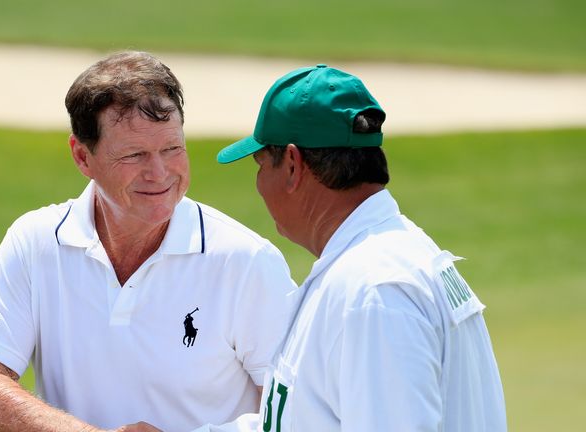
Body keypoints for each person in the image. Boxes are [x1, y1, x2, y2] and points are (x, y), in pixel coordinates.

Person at [0, 51, 299, 432]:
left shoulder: (247, 261)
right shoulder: (34, 242)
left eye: (172, 149)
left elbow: (299, 415)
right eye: (135, 155)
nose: (160, 173)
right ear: (83, 157)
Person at [197, 64, 507, 431]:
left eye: (261, 163)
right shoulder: (384, 261)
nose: (259, 183)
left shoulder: (374, 293)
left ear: (293, 166)